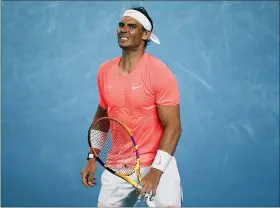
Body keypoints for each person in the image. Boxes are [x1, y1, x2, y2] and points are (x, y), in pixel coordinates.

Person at [80, 6, 183, 207]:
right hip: (117, 167)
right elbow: (102, 119)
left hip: (157, 166)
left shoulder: (159, 73)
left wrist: (156, 173)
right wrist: (92, 157)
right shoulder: (105, 70)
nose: (124, 30)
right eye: (121, 25)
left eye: (131, 26)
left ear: (146, 34)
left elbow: (174, 127)